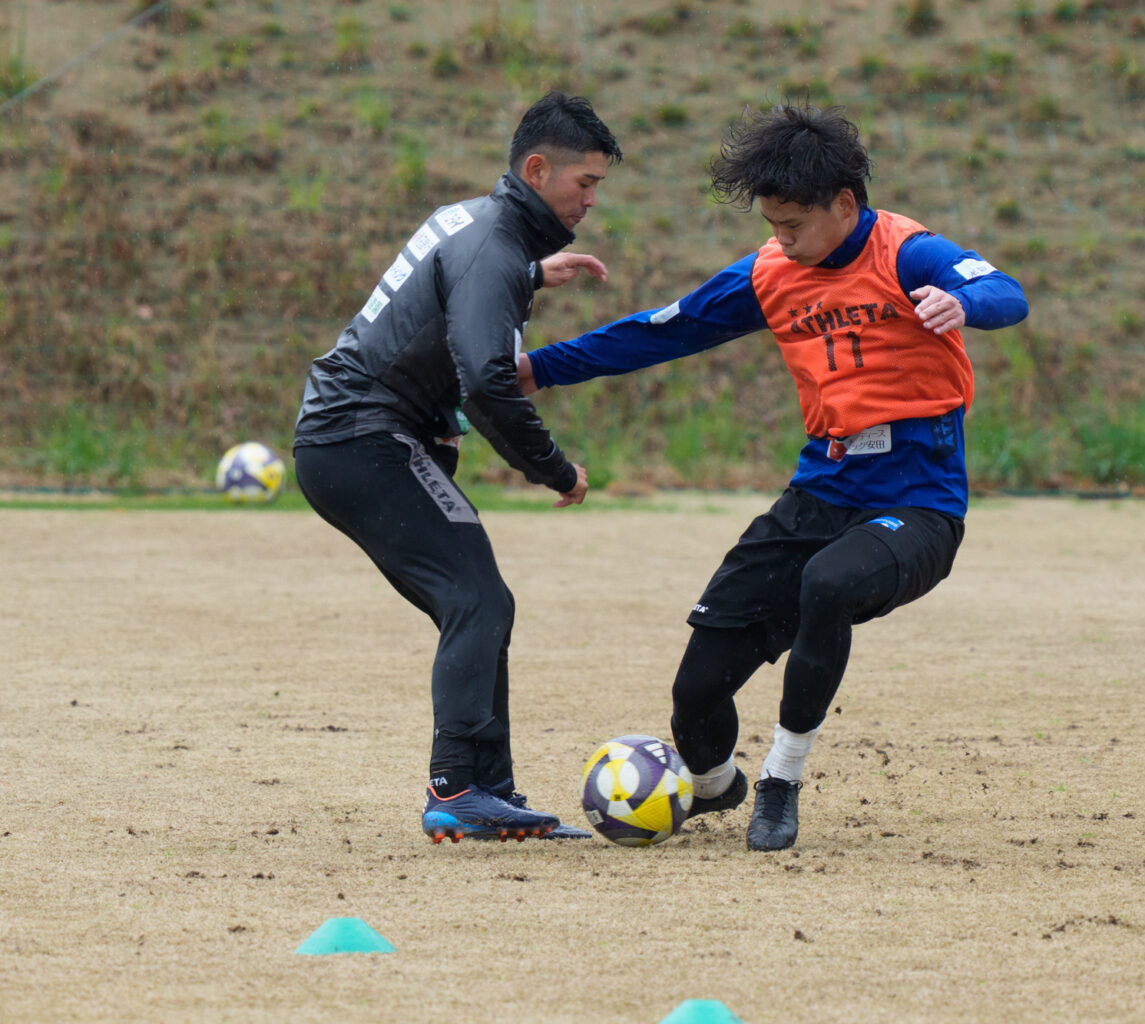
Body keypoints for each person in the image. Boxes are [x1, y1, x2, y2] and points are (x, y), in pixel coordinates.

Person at [519, 104, 1029, 851]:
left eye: (791, 224)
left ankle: (782, 780)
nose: (779, 239)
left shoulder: (906, 253)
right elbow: (662, 331)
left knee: (828, 583)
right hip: (817, 495)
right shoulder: (770, 272)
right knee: (695, 693)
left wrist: (963, 302)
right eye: (772, 224)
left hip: (918, 504)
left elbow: (1006, 292)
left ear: (844, 205)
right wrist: (538, 370)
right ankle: (719, 787)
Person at [292, 91, 621, 844]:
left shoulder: (478, 224)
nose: (593, 200)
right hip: (362, 439)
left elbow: (455, 281)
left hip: (354, 437)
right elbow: (486, 380)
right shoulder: (495, 249)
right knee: (478, 599)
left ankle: (488, 790)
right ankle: (459, 789)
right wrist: (555, 469)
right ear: (538, 170)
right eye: (585, 183)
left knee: (476, 602)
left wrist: (534, 277)